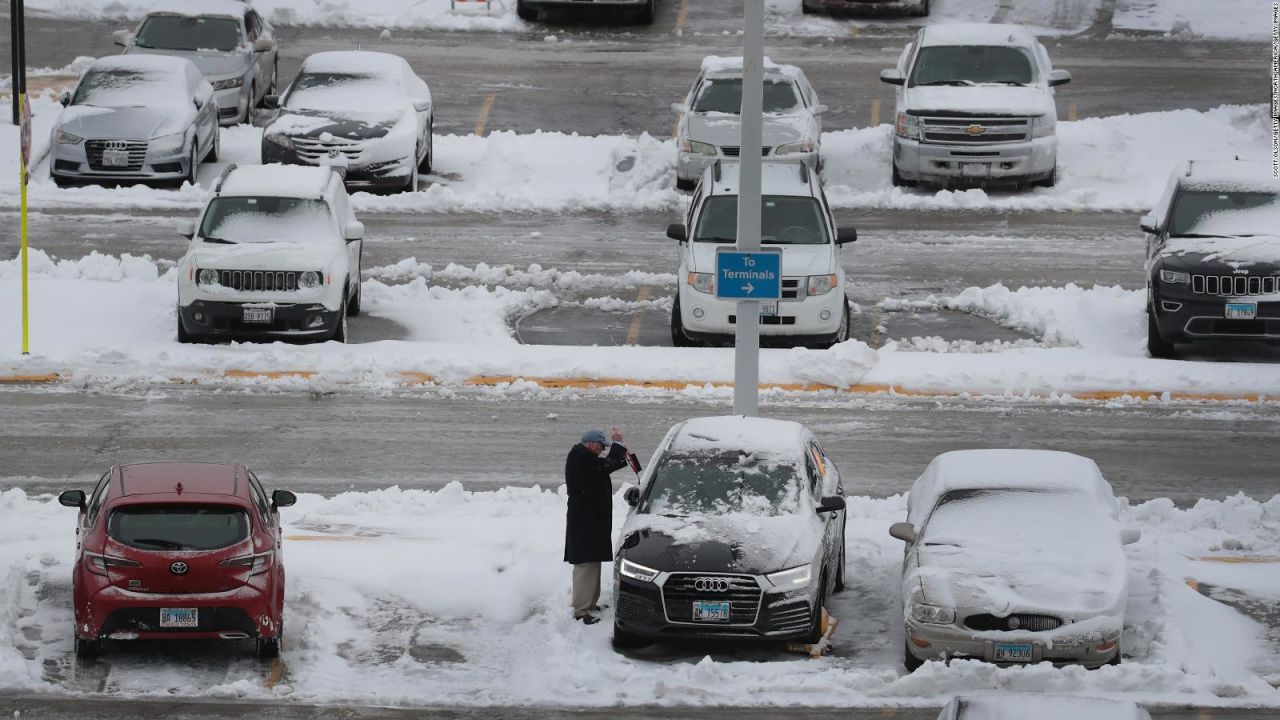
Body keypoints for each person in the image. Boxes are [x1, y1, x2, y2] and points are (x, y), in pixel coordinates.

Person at [564, 427, 629, 624]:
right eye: (601, 446)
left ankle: (590, 603)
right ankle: (580, 611)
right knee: (585, 564)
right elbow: (607, 465)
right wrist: (618, 444)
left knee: (593, 561)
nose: (602, 450)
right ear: (591, 443)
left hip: (590, 520)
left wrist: (620, 451)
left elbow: (607, 464)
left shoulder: (584, 456)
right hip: (584, 521)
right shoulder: (581, 457)